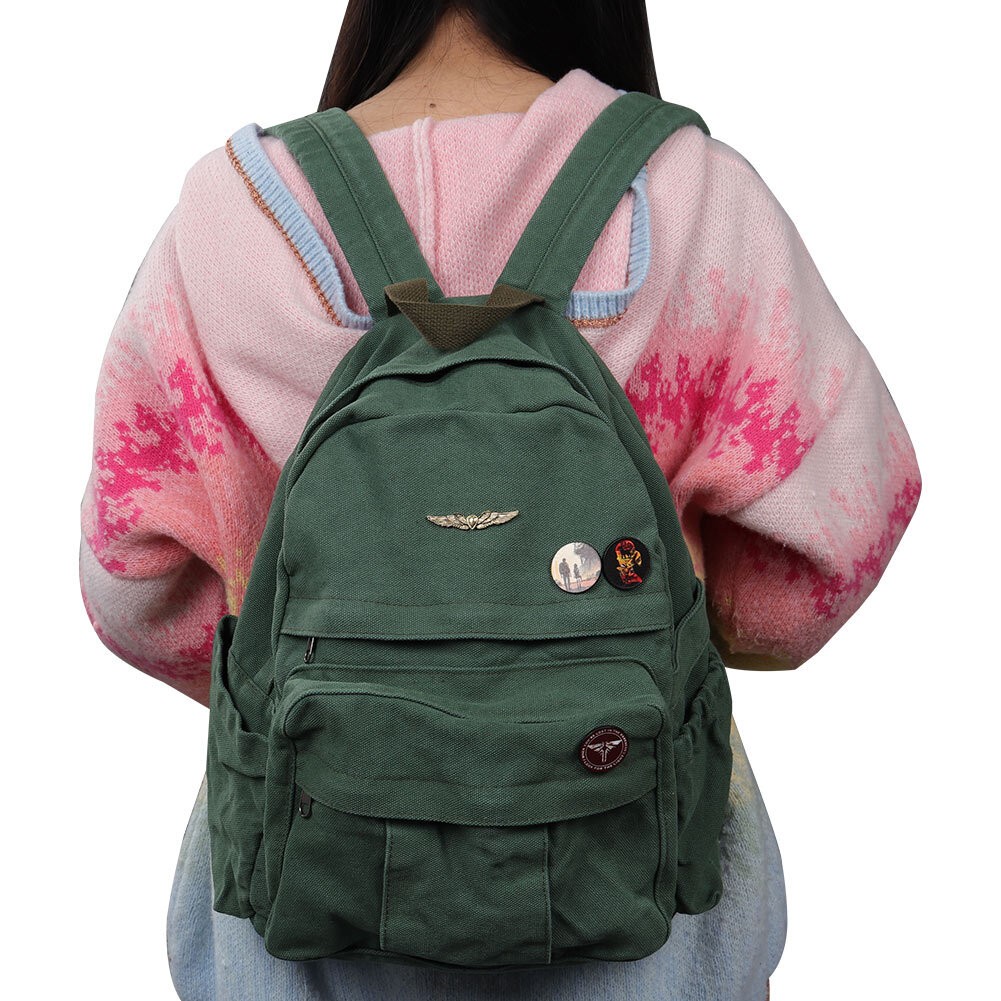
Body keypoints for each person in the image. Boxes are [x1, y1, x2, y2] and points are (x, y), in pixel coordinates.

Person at [77, 2, 921, 999]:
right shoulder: (698, 198)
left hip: (304, 877)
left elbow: (131, 586)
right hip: (629, 857)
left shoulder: (228, 215)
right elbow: (825, 561)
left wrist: (333, 668)